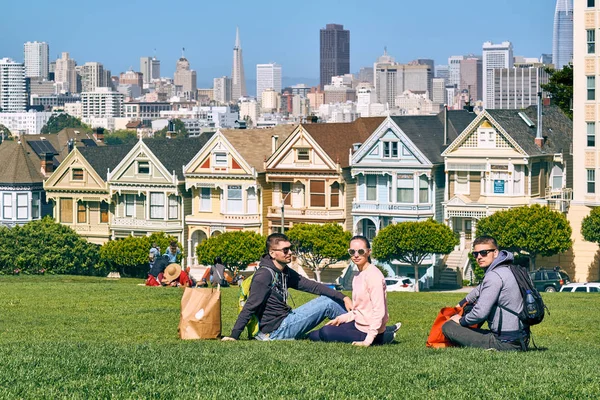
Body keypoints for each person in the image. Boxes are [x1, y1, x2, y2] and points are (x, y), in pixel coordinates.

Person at [222, 233, 353, 341]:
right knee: (327, 303)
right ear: (272, 253)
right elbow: (250, 306)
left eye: (290, 248)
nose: (290, 253)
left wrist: (343, 297)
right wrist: (234, 336)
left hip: (286, 320)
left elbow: (313, 286)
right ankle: (361, 327)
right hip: (275, 331)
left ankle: (361, 325)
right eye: (285, 250)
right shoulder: (264, 275)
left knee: (328, 299)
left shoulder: (285, 272)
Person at [308, 235, 401, 346]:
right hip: (358, 324)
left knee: (326, 332)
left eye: (360, 251)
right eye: (352, 252)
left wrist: (368, 340)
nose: (356, 255)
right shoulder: (357, 276)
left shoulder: (374, 275)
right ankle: (385, 332)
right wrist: (340, 319)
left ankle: (381, 338)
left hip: (369, 330)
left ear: (368, 252)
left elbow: (379, 311)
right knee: (314, 335)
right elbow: (358, 310)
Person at [442, 235, 530, 351]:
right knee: (471, 308)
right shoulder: (508, 269)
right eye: (476, 254)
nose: (479, 257)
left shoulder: (494, 276)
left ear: (495, 252)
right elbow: (480, 288)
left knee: (448, 327)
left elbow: (480, 313)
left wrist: (461, 320)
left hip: (505, 343)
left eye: (484, 253)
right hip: (521, 338)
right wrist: (461, 303)